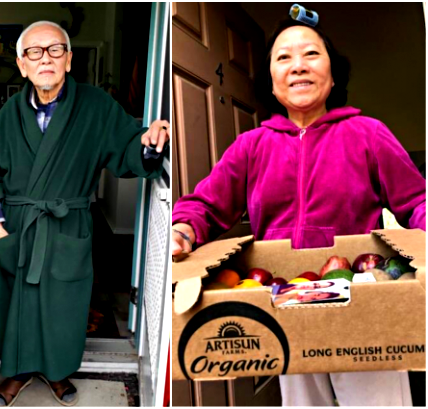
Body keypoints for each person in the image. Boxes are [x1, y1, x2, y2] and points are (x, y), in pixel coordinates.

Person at [171, 17, 424, 407]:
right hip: (286, 304)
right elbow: (206, 205)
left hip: (364, 304)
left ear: (333, 74)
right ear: (272, 81)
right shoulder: (251, 146)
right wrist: (184, 230)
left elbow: (416, 200)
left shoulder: (368, 133)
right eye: (283, 57)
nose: (298, 65)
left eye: (311, 54)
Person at [0, 20, 169, 407]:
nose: (44, 58)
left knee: (64, 305)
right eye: (34, 52)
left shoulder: (96, 106)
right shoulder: (8, 113)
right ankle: (16, 374)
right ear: (22, 65)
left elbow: (127, 149)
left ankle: (57, 372)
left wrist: (148, 145)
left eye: (54, 50)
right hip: (18, 228)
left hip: (68, 224)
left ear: (68, 60)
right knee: (16, 305)